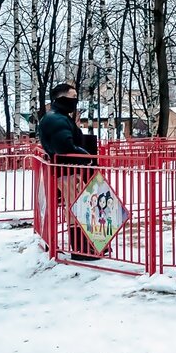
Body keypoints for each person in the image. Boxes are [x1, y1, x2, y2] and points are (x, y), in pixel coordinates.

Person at [37, 83, 101, 260]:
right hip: (68, 171)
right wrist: (87, 157)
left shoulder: (58, 117)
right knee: (76, 208)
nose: (76, 101)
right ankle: (81, 250)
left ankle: (85, 247)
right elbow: (64, 147)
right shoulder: (56, 119)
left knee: (77, 207)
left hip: (68, 170)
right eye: (73, 97)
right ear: (61, 98)